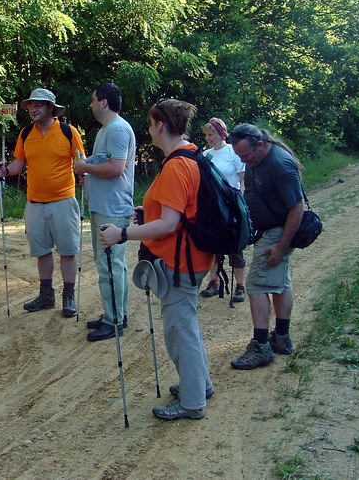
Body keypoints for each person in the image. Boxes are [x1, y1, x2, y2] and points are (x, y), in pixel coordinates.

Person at [101, 98, 215, 421]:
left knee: (180, 330)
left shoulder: (177, 165)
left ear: (161, 126)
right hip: (193, 257)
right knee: (186, 325)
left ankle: (193, 403)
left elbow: (169, 224)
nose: (148, 131)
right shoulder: (192, 155)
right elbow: (174, 212)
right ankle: (200, 384)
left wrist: (121, 234)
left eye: (151, 125)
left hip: (181, 261)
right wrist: (146, 211)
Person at [0, 88, 85, 317]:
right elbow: (17, 165)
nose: (34, 109)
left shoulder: (68, 131)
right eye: (31, 105)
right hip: (34, 203)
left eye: (39, 105)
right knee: (42, 251)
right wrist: (3, 171)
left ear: (50, 108)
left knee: (67, 250)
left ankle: (68, 296)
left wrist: (83, 173)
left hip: (63, 199)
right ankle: (46, 295)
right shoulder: (25, 134)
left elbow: (81, 161)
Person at [229, 123, 304, 370]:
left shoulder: (280, 165)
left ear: (259, 144)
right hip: (269, 230)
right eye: (239, 156)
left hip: (279, 231)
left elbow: (297, 207)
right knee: (282, 283)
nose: (244, 161)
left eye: (246, 155)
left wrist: (282, 245)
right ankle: (281, 338)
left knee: (257, 284)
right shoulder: (256, 160)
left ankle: (261, 346)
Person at [73, 83, 136, 341]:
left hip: (114, 208)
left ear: (103, 102)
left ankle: (115, 320)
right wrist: (88, 171)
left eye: (93, 99)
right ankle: (115, 313)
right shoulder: (106, 130)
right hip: (103, 206)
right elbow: (104, 165)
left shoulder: (118, 129)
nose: (90, 104)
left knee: (111, 264)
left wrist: (83, 167)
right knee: (108, 265)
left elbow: (116, 168)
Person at [198, 117, 247, 303]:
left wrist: (242, 203)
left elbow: (242, 179)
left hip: (232, 204)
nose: (208, 138)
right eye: (207, 135)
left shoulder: (232, 152)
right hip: (213, 206)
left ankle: (240, 286)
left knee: (235, 247)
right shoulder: (206, 155)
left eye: (211, 134)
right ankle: (214, 281)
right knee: (214, 245)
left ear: (220, 134)